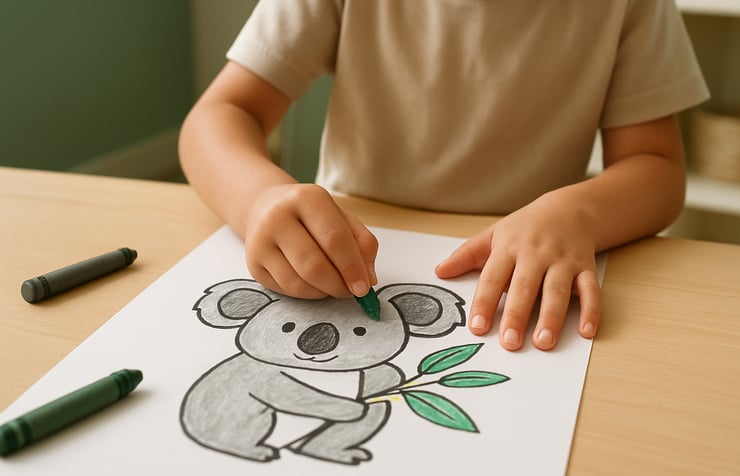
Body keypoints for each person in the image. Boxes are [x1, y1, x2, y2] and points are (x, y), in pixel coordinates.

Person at [178, 1, 709, 352]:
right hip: (344, 252)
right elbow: (220, 116)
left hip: (530, 271)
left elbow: (657, 169)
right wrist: (258, 199)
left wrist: (578, 214)